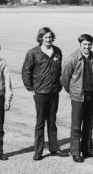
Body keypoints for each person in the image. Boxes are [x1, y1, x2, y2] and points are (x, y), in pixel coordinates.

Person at [22, 26, 67, 160]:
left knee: (52, 122)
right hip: (40, 92)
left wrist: (59, 85)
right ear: (40, 38)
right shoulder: (33, 53)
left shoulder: (57, 51)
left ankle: (54, 148)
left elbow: (59, 70)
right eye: (45, 37)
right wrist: (31, 88)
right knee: (40, 122)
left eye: (50, 37)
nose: (48, 39)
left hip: (54, 92)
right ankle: (38, 151)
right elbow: (26, 71)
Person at [61, 33, 93, 163]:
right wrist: (72, 91)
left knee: (89, 124)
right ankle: (75, 152)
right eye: (84, 44)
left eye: (89, 44)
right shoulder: (72, 58)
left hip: (92, 96)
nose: (87, 47)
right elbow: (65, 78)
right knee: (76, 125)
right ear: (80, 44)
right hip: (78, 96)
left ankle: (87, 149)